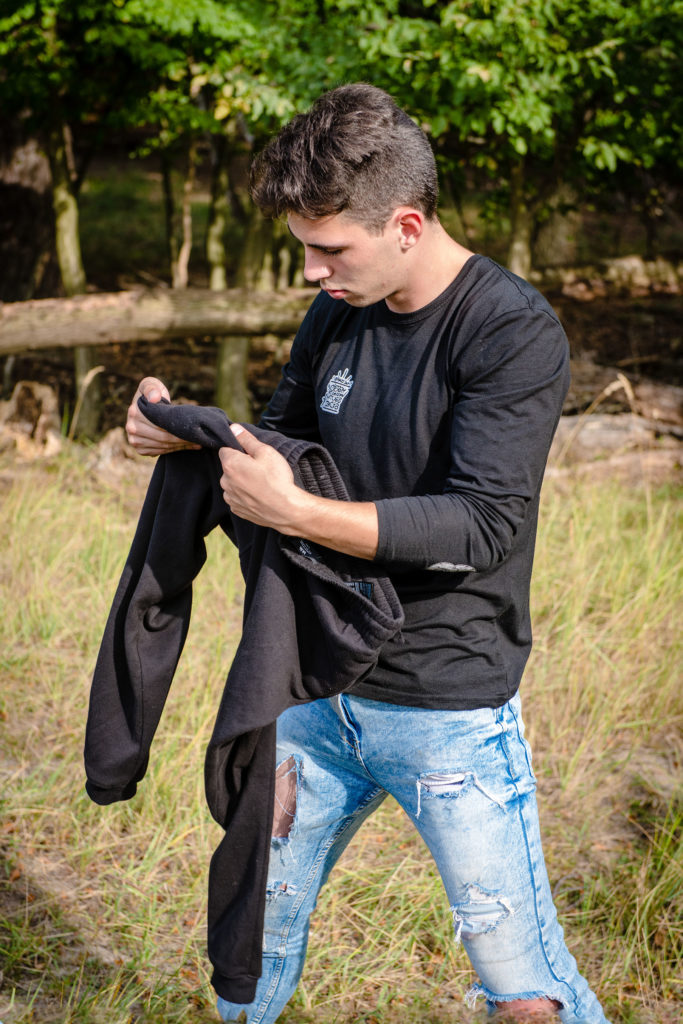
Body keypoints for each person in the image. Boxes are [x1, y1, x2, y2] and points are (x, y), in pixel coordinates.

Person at [126, 84, 609, 1024]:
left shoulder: (510, 330)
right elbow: (286, 437)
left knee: (525, 991)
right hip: (314, 687)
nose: (311, 272)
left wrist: (298, 513)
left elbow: (479, 524)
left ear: (406, 225)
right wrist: (183, 433)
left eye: (330, 249)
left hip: (447, 714)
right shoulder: (340, 309)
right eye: (303, 248)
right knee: (250, 937)